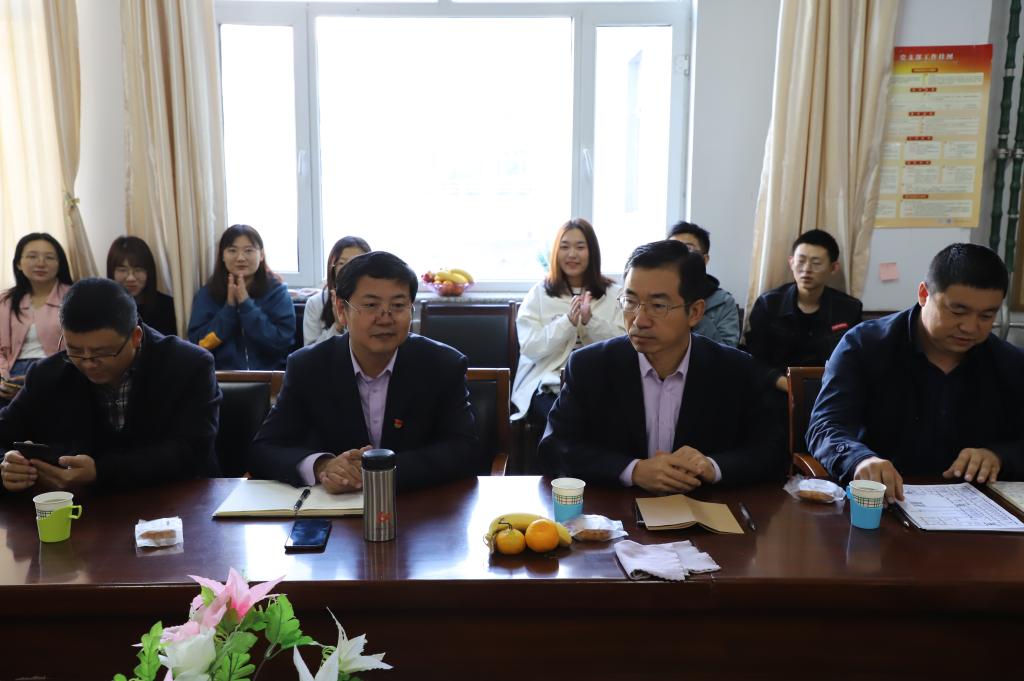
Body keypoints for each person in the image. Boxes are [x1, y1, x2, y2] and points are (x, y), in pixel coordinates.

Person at [538, 240, 785, 493]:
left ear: (695, 312)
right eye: (630, 302)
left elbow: (772, 451)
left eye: (658, 306)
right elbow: (555, 447)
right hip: (616, 511)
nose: (639, 320)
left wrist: (713, 466)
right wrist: (633, 470)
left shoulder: (734, 369)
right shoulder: (590, 366)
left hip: (704, 509)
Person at [808, 243, 1024, 503]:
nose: (970, 327)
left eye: (986, 316)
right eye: (958, 311)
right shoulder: (865, 346)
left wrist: (999, 456)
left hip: (977, 509)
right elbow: (825, 426)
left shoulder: (1009, 363)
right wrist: (860, 459)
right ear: (924, 294)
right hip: (882, 501)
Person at [248, 251, 481, 492]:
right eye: (371, 305)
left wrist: (377, 472)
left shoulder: (442, 365)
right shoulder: (308, 367)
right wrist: (323, 466)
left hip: (416, 503)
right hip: (334, 507)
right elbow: (264, 450)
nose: (385, 318)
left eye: (398, 306)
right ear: (341, 309)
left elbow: (464, 450)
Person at [0, 278, 221, 493]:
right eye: (74, 350)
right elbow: (5, 431)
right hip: (86, 509)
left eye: (102, 353)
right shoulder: (48, 374)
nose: (88, 363)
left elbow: (192, 451)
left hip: (178, 501)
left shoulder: (189, 365)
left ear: (135, 337)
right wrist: (6, 465)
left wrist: (101, 472)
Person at [511, 218, 625, 429]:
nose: (572, 254)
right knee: (564, 421)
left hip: (602, 383)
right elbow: (530, 347)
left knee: (609, 421)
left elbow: (625, 345)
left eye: (580, 247)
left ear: (592, 252)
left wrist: (590, 322)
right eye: (564, 247)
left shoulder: (614, 294)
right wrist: (567, 323)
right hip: (548, 384)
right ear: (556, 252)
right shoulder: (539, 293)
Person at [745, 229, 863, 392]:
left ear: (833, 267)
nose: (807, 269)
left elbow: (853, 360)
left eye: (816, 263)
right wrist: (791, 387)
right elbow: (756, 359)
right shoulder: (768, 304)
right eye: (801, 261)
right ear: (791, 262)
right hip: (778, 389)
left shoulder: (849, 309)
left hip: (830, 390)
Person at [188, 224, 295, 370]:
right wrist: (229, 309)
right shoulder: (208, 293)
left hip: (270, 376)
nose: (240, 258)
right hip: (221, 377)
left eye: (248, 250)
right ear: (222, 256)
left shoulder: (277, 292)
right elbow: (200, 344)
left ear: (261, 255)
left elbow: (282, 342)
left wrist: (246, 305)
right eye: (232, 250)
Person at [0, 233, 73, 404]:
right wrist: (3, 379)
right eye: (32, 256)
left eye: (49, 257)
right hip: (12, 373)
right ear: (19, 263)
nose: (41, 263)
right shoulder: (6, 300)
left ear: (60, 263)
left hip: (59, 371)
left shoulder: (75, 296)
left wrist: (44, 376)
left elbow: (82, 347)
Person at [666, 221, 740, 346]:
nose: (678, 256)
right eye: (672, 249)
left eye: (688, 249)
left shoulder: (723, 301)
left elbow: (728, 350)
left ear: (704, 260)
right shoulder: (654, 293)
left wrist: (695, 311)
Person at [303, 236, 371, 346]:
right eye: (342, 263)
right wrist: (338, 326)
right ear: (333, 268)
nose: (349, 269)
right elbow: (309, 352)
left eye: (356, 263)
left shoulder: (376, 302)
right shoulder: (315, 303)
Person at [106, 236, 177, 336]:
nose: (131, 278)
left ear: (149, 272)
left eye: (138, 270)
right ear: (111, 272)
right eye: (122, 270)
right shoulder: (103, 307)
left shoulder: (167, 307)